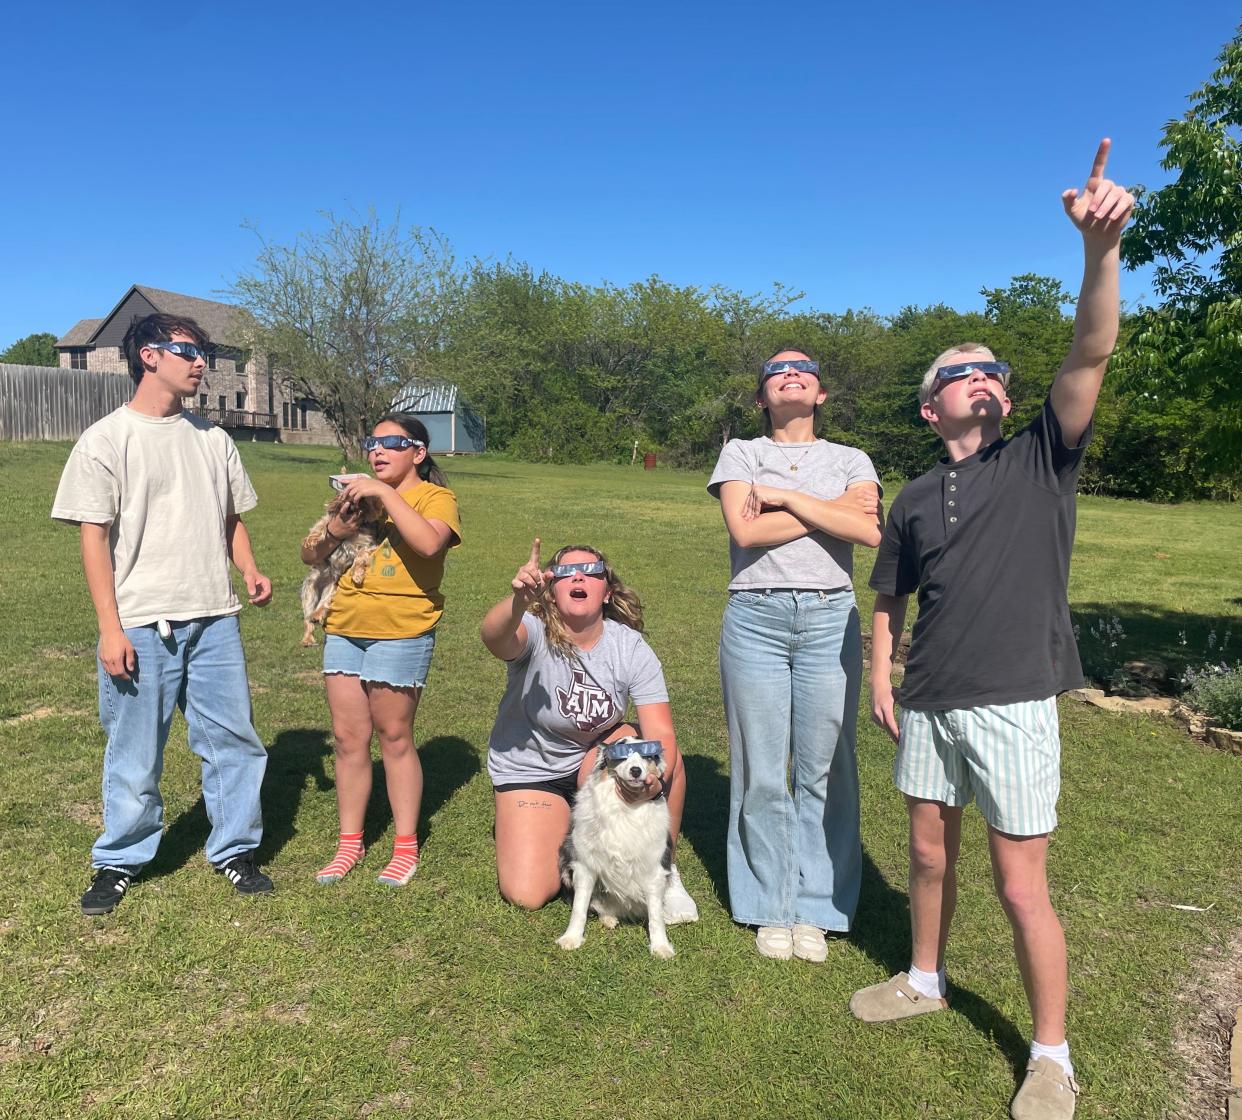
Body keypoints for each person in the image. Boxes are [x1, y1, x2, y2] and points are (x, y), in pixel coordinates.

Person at [850, 141, 1134, 1120]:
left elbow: (1091, 348)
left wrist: (1100, 254)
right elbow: (888, 595)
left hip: (1015, 697)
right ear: (931, 407)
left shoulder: (1041, 458)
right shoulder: (915, 497)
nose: (982, 376)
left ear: (1006, 401)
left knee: (1020, 885)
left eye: (993, 371)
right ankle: (924, 978)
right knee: (928, 855)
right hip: (928, 701)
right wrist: (882, 677)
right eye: (959, 370)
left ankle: (1051, 1056)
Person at [52, 313, 274, 915]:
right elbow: (93, 537)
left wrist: (248, 569)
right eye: (188, 350)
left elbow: (232, 518)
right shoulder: (106, 439)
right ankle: (120, 860)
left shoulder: (213, 439)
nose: (200, 362)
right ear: (149, 356)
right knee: (135, 751)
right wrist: (109, 629)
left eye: (202, 352)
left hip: (214, 618)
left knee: (234, 742)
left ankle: (234, 849)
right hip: (141, 624)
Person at [707, 350, 882, 961]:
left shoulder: (851, 459)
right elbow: (747, 533)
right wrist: (830, 511)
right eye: (777, 370)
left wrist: (783, 498)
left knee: (827, 764)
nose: (791, 372)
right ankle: (768, 906)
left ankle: (818, 907)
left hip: (831, 614)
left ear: (820, 394)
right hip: (754, 616)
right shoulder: (741, 454)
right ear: (761, 398)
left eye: (804, 368)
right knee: (760, 765)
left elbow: (870, 530)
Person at [480, 540, 698, 921]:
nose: (577, 577)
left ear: (606, 591)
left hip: (592, 755)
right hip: (531, 770)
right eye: (564, 572)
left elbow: (660, 730)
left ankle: (665, 870)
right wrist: (517, 602)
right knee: (527, 893)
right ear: (550, 589)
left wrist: (654, 782)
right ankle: (556, 822)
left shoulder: (629, 647)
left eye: (590, 572)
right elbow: (493, 638)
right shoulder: (532, 629)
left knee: (663, 759)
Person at [302, 415, 460, 887]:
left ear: (419, 453)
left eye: (393, 442)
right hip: (346, 628)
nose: (378, 449)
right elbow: (310, 555)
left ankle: (405, 847)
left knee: (393, 737)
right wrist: (337, 527)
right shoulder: (357, 500)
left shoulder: (436, 498)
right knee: (349, 740)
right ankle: (349, 843)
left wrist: (384, 494)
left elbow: (430, 544)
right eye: (373, 441)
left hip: (402, 631)